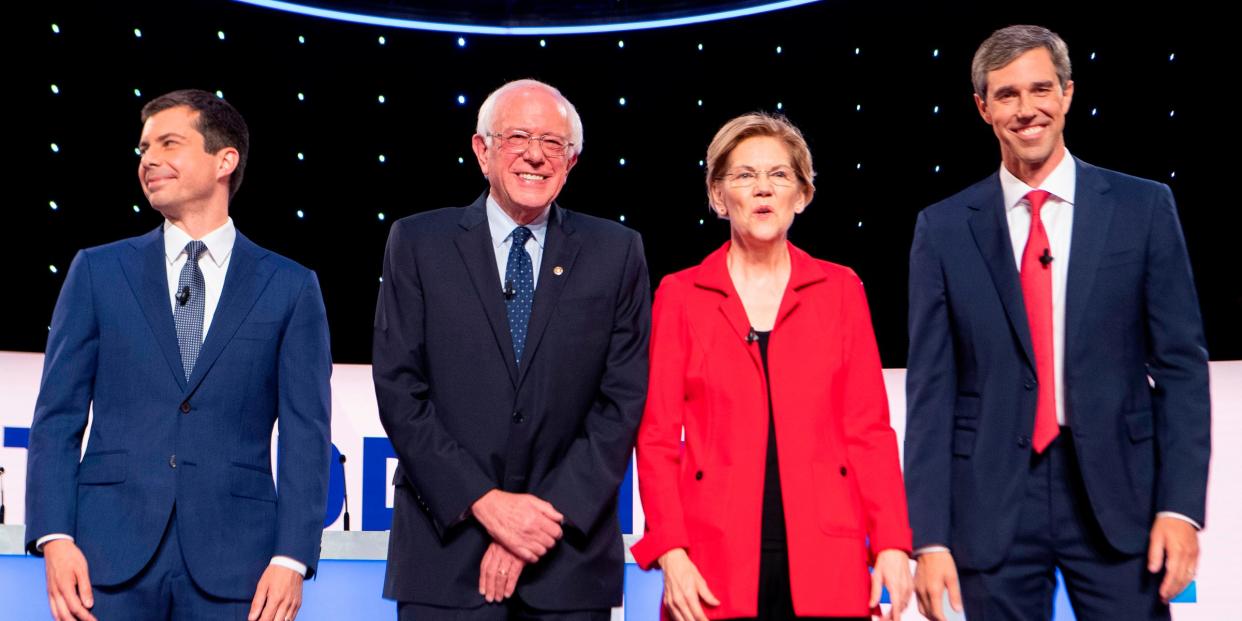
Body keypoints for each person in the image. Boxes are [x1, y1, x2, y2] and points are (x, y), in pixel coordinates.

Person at [904, 24, 1211, 621]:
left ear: (1068, 93)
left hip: (1120, 501)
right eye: (1007, 94)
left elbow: (1180, 368)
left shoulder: (1144, 209)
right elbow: (931, 393)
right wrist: (930, 537)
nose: (1027, 110)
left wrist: (1180, 507)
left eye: (1041, 89)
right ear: (982, 108)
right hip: (991, 503)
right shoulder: (941, 230)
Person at [25, 89, 332, 621]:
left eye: (169, 143)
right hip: (105, 557)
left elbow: (307, 432)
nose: (149, 159)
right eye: (143, 147)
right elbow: (57, 416)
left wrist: (292, 556)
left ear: (224, 159)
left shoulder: (290, 286)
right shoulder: (98, 272)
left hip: (240, 564)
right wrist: (54, 537)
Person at [372, 78, 650, 620]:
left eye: (553, 144)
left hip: (567, 560)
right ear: (482, 150)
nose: (535, 156)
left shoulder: (617, 252)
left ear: (571, 161)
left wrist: (538, 521)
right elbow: (400, 389)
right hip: (444, 555)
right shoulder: (417, 243)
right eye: (518, 137)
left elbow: (621, 402)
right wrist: (486, 503)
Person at [630, 112, 912, 621]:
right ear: (718, 196)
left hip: (828, 556)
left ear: (802, 195)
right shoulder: (680, 294)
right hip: (710, 561)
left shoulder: (841, 290)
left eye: (779, 175)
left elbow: (869, 430)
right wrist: (671, 552)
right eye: (744, 175)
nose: (763, 189)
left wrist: (891, 540)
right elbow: (655, 438)